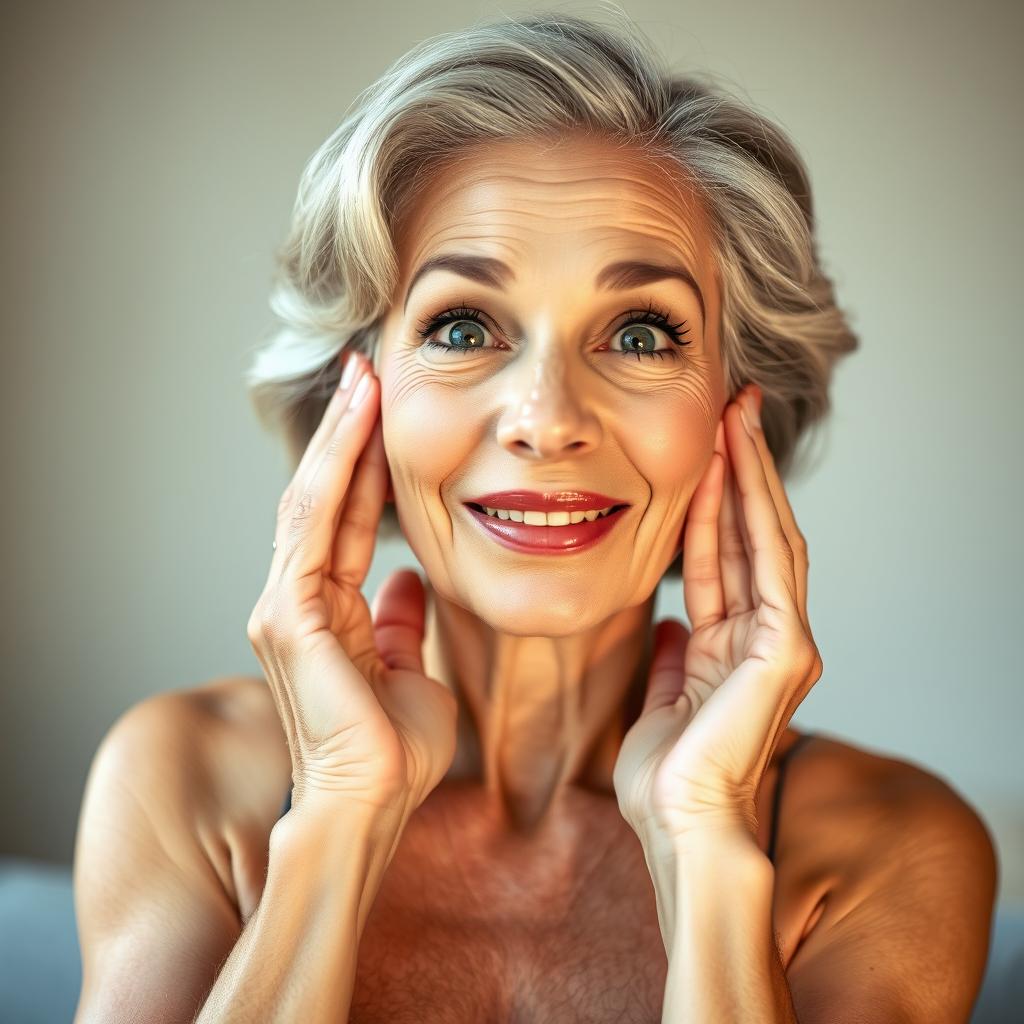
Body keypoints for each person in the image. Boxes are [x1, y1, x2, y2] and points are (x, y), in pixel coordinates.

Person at [72, 10, 998, 1024]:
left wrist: (704, 840)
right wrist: (336, 815)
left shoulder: (890, 845)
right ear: (360, 400)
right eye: (462, 325)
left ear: (740, 410)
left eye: (642, 334)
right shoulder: (186, 777)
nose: (549, 418)